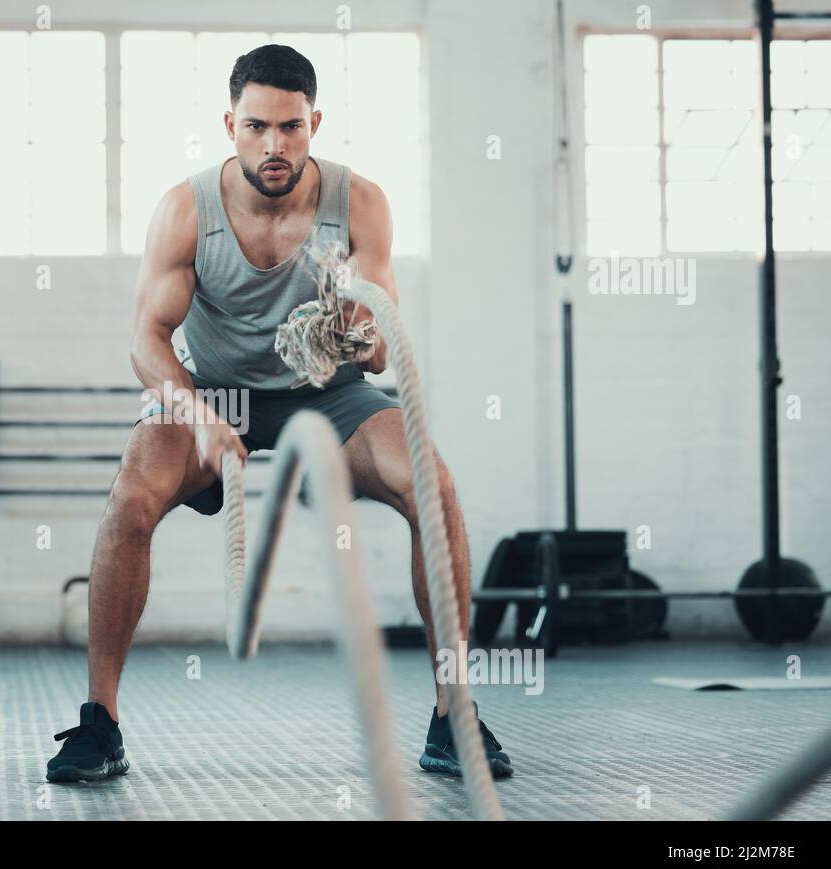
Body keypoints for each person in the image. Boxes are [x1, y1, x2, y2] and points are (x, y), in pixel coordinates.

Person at [47, 44, 512, 784]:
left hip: (325, 393)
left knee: (436, 489)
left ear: (314, 122)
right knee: (130, 500)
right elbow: (146, 340)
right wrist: (198, 417)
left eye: (291, 127)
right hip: (216, 389)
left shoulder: (359, 203)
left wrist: (359, 338)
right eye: (257, 126)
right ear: (229, 124)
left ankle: (453, 717)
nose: (275, 145)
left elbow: (380, 351)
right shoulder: (184, 210)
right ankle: (99, 724)